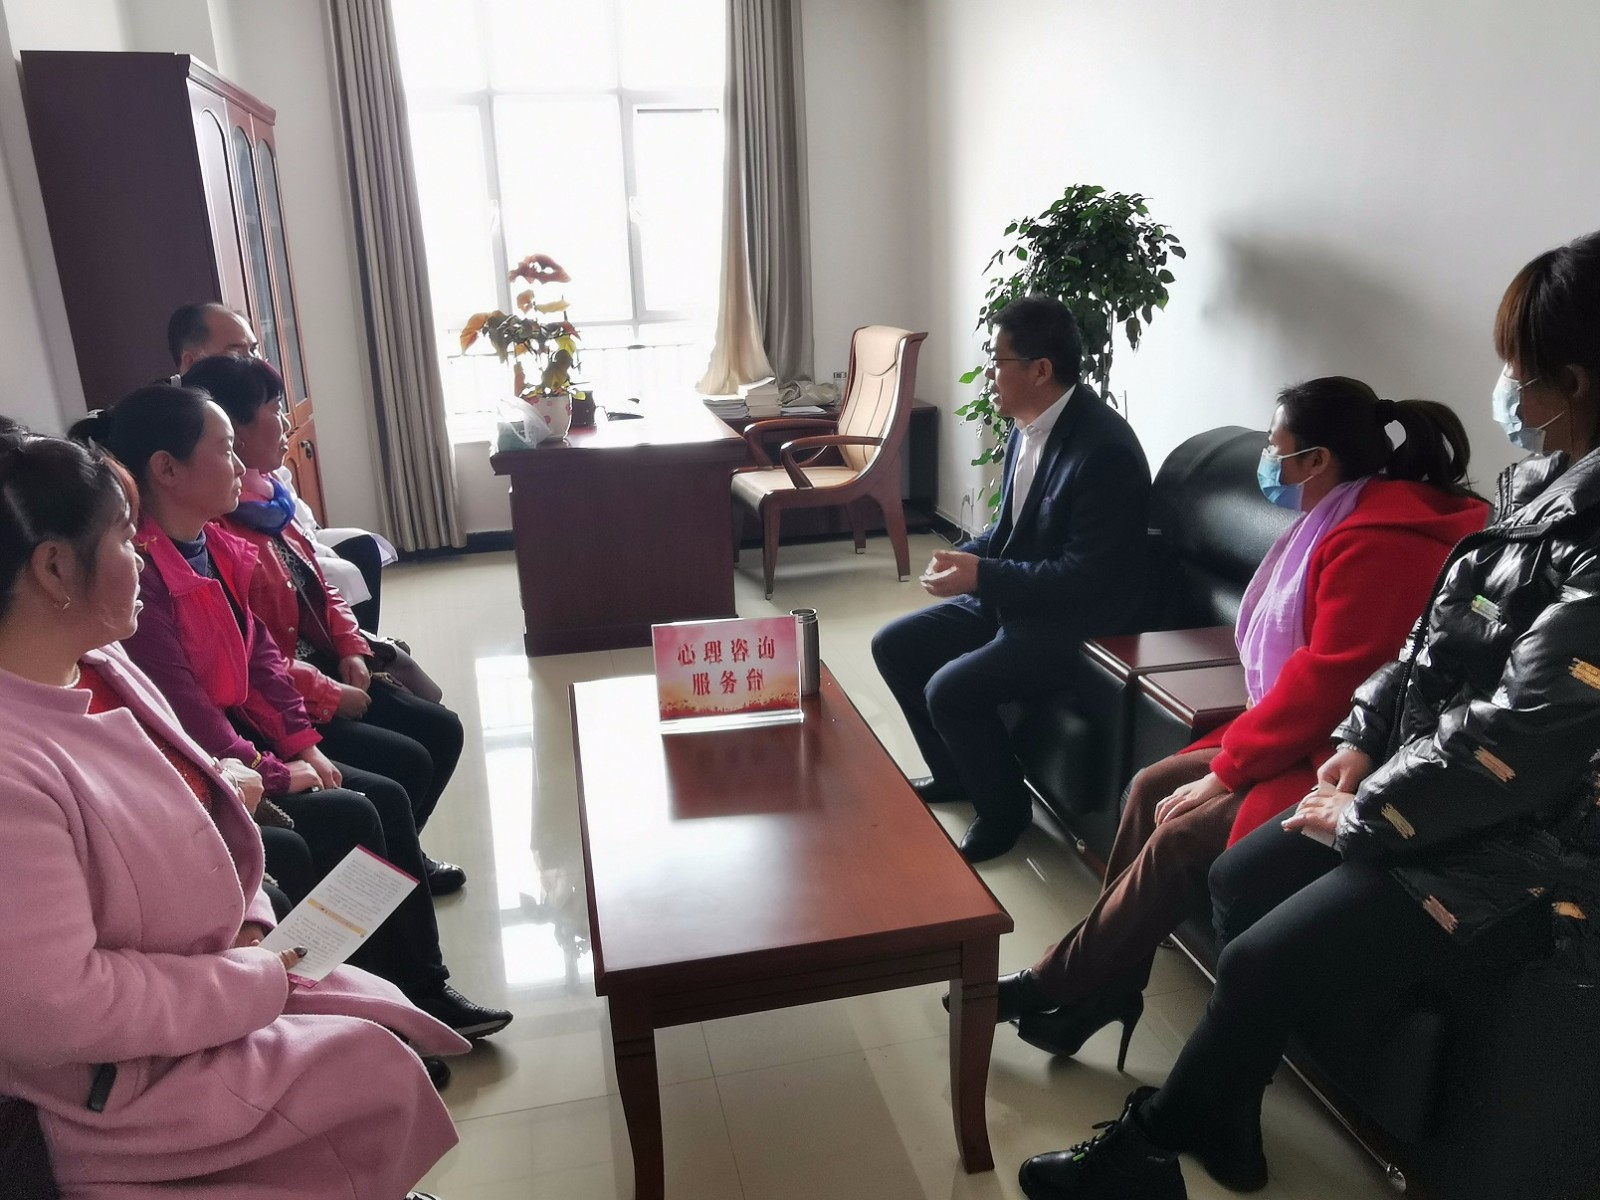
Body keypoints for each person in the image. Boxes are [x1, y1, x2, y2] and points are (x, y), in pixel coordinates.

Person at [1015, 234, 1600, 1200]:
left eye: (1518, 370)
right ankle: (1216, 1107)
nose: (1505, 389)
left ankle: (1151, 1149)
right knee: (1238, 873)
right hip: (1421, 783)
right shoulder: (1538, 489)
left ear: (1570, 382)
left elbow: (1518, 736)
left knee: (1255, 956)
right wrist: (1363, 740)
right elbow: (1420, 648)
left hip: (1520, 845)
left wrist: (1365, 808)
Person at [988, 380, 1486, 1121]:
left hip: (1347, 756)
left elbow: (1331, 684)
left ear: (1316, 461)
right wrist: (1227, 764)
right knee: (1150, 787)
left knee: (1181, 836)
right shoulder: (1338, 514)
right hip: (1304, 730)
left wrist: (1226, 772)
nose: (1266, 463)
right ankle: (1107, 990)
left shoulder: (1382, 542)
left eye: (1275, 450)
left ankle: (1057, 982)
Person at [0, 425, 461, 1199]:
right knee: (365, 1064)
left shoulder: (99, 663)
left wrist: (249, 919)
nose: (141, 555)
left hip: (206, 983)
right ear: (53, 568)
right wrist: (247, 979)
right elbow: (59, 1007)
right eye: (123, 538)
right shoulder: (12, 769)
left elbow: (202, 809)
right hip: (124, 1083)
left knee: (378, 1029)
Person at [69, 387, 510, 1040]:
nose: (240, 466)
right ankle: (375, 997)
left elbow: (260, 661)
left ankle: (412, 986)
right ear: (166, 469)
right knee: (359, 812)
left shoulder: (213, 544)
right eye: (224, 450)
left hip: (241, 740)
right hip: (216, 759)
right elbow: (187, 715)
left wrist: (305, 743)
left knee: (387, 791)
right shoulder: (149, 580)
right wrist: (276, 770)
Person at [872, 296, 1151, 862]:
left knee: (949, 691)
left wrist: (984, 575)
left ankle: (1005, 813)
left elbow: (1087, 577)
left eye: (997, 361)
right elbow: (1010, 531)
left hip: (1078, 622)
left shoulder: (1104, 451)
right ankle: (955, 775)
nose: (989, 375)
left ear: (1040, 369)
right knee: (894, 646)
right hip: (1023, 596)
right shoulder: (1027, 426)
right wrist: (964, 558)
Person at [184, 353, 467, 895]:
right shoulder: (215, 528)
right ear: (236, 430)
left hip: (317, 666)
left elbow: (318, 581)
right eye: (273, 409)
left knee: (439, 727)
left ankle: (399, 859)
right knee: (406, 761)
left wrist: (351, 646)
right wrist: (328, 692)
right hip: (288, 694)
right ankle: (388, 874)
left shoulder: (266, 498)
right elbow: (251, 652)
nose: (285, 421)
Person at [167, 301, 393, 628]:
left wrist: (351, 644)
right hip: (266, 570)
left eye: (253, 350)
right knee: (337, 576)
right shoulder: (184, 436)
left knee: (357, 554)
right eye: (237, 351)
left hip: (290, 537)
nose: (253, 361)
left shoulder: (257, 438)